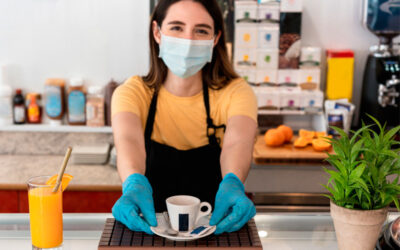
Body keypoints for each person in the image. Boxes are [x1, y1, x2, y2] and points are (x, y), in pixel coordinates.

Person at [111, 0, 258, 235]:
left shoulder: (236, 92)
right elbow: (128, 140)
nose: (188, 41)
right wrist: (132, 183)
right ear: (157, 32)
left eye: (201, 31)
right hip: (150, 230)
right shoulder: (133, 92)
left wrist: (233, 182)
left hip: (213, 229)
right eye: (177, 27)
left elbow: (238, 142)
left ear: (216, 38)